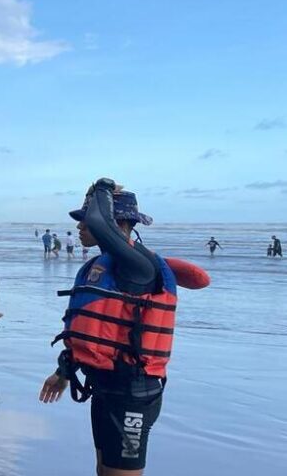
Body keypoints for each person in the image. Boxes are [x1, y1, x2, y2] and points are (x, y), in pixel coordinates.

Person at [40, 179, 179, 476]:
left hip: (133, 391)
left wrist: (101, 186)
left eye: (85, 219)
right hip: (105, 386)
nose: (80, 227)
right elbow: (91, 333)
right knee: (104, 469)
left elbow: (101, 224)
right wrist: (65, 372)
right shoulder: (98, 267)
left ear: (114, 222)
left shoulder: (140, 265)